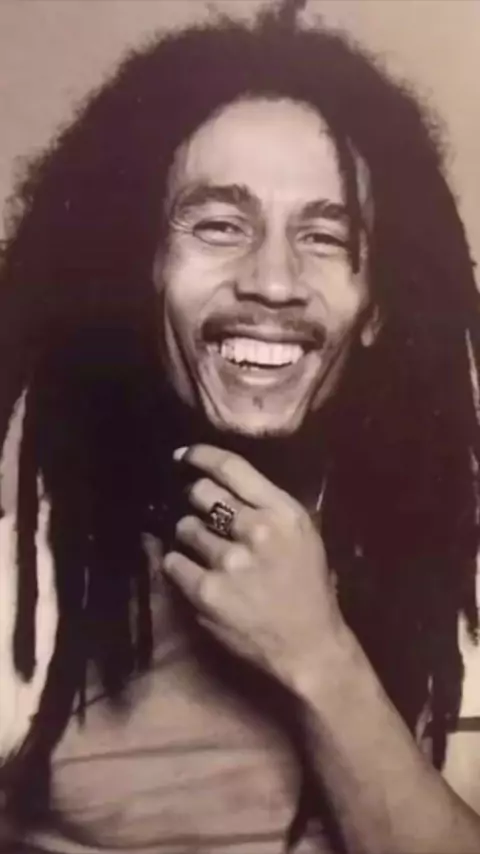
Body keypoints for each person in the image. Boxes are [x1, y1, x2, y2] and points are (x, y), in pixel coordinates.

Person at [1, 1, 480, 851]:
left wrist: (316, 655)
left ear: (377, 308)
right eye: (221, 226)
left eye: (325, 237)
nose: (273, 281)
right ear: (146, 270)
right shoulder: (23, 592)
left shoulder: (463, 595)